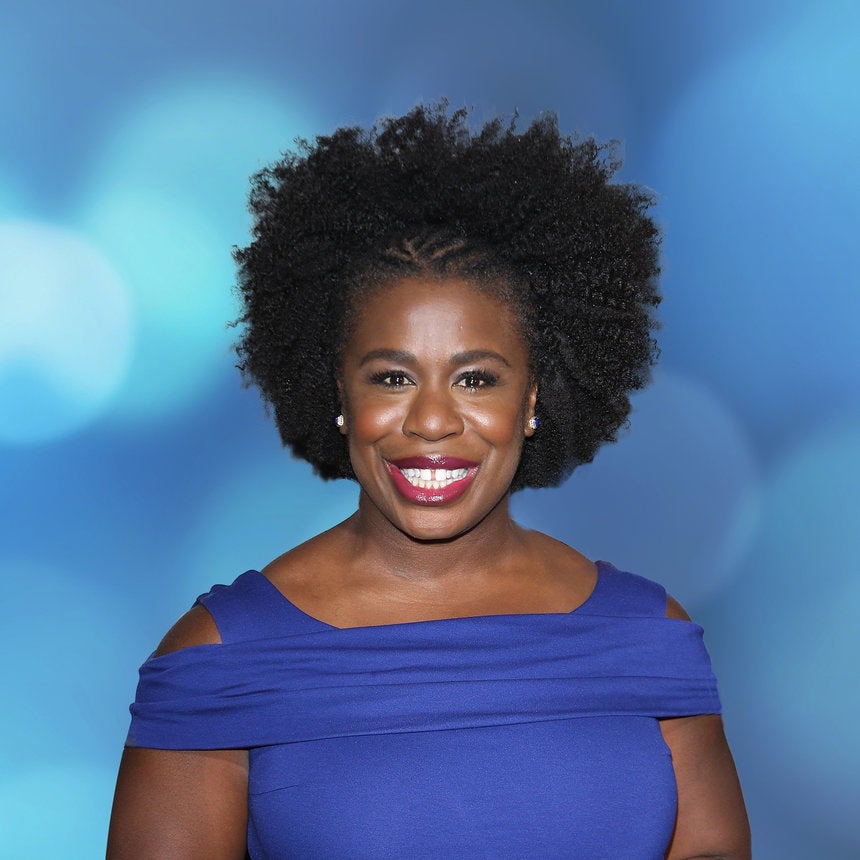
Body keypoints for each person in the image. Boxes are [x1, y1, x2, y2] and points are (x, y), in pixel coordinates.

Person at [107, 104, 750, 859]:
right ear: (339, 394)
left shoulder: (648, 635)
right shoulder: (221, 659)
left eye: (476, 378)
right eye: (392, 377)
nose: (434, 421)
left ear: (532, 400)